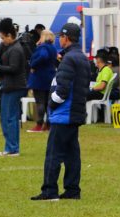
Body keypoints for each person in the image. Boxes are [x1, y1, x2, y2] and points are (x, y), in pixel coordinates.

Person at [32, 22, 90, 201]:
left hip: (64, 114)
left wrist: (52, 104)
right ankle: (73, 190)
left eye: (61, 37)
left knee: (53, 154)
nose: (59, 40)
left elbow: (62, 89)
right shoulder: (82, 57)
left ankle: (49, 190)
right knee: (72, 155)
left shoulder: (69, 59)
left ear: (66, 38)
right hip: (76, 113)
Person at [0, 18, 28, 157]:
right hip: (9, 85)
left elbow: (14, 68)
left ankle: (12, 148)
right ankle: (11, 147)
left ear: (10, 35)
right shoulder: (9, 47)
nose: (2, 40)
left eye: (3, 37)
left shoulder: (16, 50)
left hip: (14, 86)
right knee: (9, 117)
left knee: (8, 118)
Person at [26, 29, 58, 133]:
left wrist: (33, 64)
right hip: (50, 77)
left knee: (40, 101)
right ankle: (48, 124)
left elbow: (43, 56)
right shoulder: (53, 48)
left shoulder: (43, 47)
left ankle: (39, 124)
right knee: (48, 102)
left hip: (40, 77)